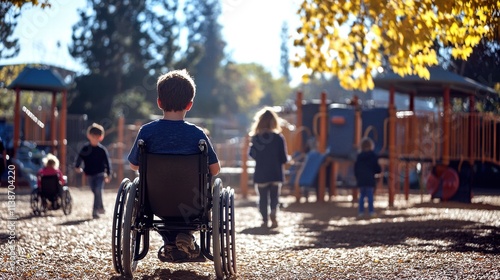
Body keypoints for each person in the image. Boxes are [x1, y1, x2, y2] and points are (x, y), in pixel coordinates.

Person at [127, 69, 220, 262]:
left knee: (146, 189)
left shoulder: (147, 132)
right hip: (193, 204)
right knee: (206, 188)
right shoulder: (198, 134)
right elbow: (215, 169)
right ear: (190, 104)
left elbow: (133, 165)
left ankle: (171, 239)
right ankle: (184, 236)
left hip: (156, 203)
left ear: (159, 102)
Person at [248, 107, 288, 228]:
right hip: (276, 173)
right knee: (274, 196)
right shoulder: (278, 137)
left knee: (263, 198)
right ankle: (274, 211)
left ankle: (265, 219)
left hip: (261, 173)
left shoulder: (256, 138)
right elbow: (284, 158)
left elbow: (252, 154)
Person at [74, 123, 112, 219]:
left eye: (97, 136)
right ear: (89, 136)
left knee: (98, 189)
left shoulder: (102, 150)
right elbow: (79, 158)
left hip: (100, 174)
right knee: (94, 191)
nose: (95, 138)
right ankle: (101, 207)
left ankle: (95, 211)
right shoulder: (85, 148)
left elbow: (108, 163)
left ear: (100, 137)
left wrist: (108, 174)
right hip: (89, 174)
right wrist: (77, 166)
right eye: (93, 136)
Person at [354, 137, 381, 218]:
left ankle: (361, 212)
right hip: (370, 179)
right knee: (370, 196)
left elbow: (356, 168)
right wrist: (378, 172)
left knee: (362, 196)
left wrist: (357, 177)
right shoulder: (373, 156)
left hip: (361, 179)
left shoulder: (359, 156)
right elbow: (376, 168)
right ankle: (371, 212)